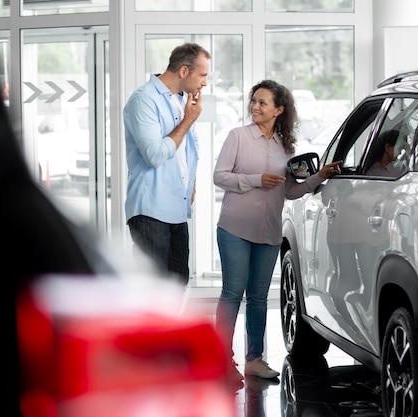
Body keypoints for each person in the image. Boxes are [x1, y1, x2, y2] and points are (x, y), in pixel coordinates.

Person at [213, 80, 342, 383]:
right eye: (254, 101)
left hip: (269, 232)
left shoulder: (286, 147)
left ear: (279, 109)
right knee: (232, 293)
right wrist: (256, 179)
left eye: (262, 103)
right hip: (235, 228)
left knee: (258, 297)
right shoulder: (238, 137)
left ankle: (254, 359)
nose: (255, 107)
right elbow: (220, 177)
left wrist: (319, 177)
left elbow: (292, 191)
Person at [123, 43, 211, 285]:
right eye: (202, 75)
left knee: (177, 284)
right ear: (184, 71)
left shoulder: (180, 100)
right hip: (150, 211)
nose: (205, 82)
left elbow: (187, 151)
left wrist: (189, 185)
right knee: (154, 291)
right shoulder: (143, 100)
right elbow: (154, 155)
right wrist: (188, 121)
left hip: (176, 210)